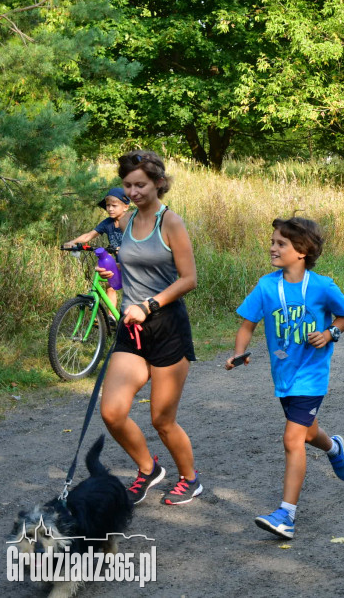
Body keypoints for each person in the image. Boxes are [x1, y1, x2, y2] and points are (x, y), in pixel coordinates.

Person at [225, 217, 344, 539]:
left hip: (312, 376)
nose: (272, 247)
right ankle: (334, 448)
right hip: (283, 376)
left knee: (292, 439)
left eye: (280, 243)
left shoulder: (322, 286)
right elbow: (247, 324)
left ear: (302, 251)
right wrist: (240, 352)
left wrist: (330, 333)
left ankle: (286, 514)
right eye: (272, 241)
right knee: (308, 433)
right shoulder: (267, 286)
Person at [97, 151, 200, 506]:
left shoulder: (170, 222)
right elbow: (134, 272)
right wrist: (114, 276)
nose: (133, 192)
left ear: (158, 182)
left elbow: (189, 279)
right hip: (132, 326)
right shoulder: (124, 223)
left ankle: (190, 477)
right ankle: (148, 469)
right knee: (111, 411)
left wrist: (150, 305)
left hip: (166, 327)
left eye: (140, 184)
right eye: (127, 185)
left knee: (162, 420)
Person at [63, 187, 131, 310]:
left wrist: (125, 248)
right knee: (110, 285)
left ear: (125, 207)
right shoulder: (108, 223)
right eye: (108, 205)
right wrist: (72, 242)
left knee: (133, 291)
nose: (110, 208)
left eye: (114, 205)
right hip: (119, 262)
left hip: (133, 262)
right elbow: (89, 235)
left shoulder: (132, 221)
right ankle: (111, 317)